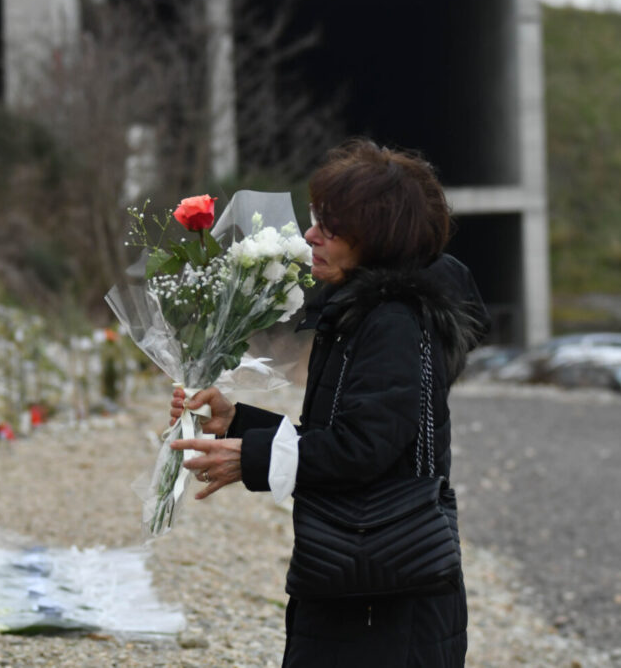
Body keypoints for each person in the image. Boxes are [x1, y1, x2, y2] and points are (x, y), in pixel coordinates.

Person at [169, 138, 490, 667]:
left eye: (331, 228)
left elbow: (364, 449)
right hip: (364, 574)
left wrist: (250, 457)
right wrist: (234, 420)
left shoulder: (393, 321)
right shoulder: (365, 312)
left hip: (383, 594)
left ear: (377, 240)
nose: (310, 235)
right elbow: (348, 431)